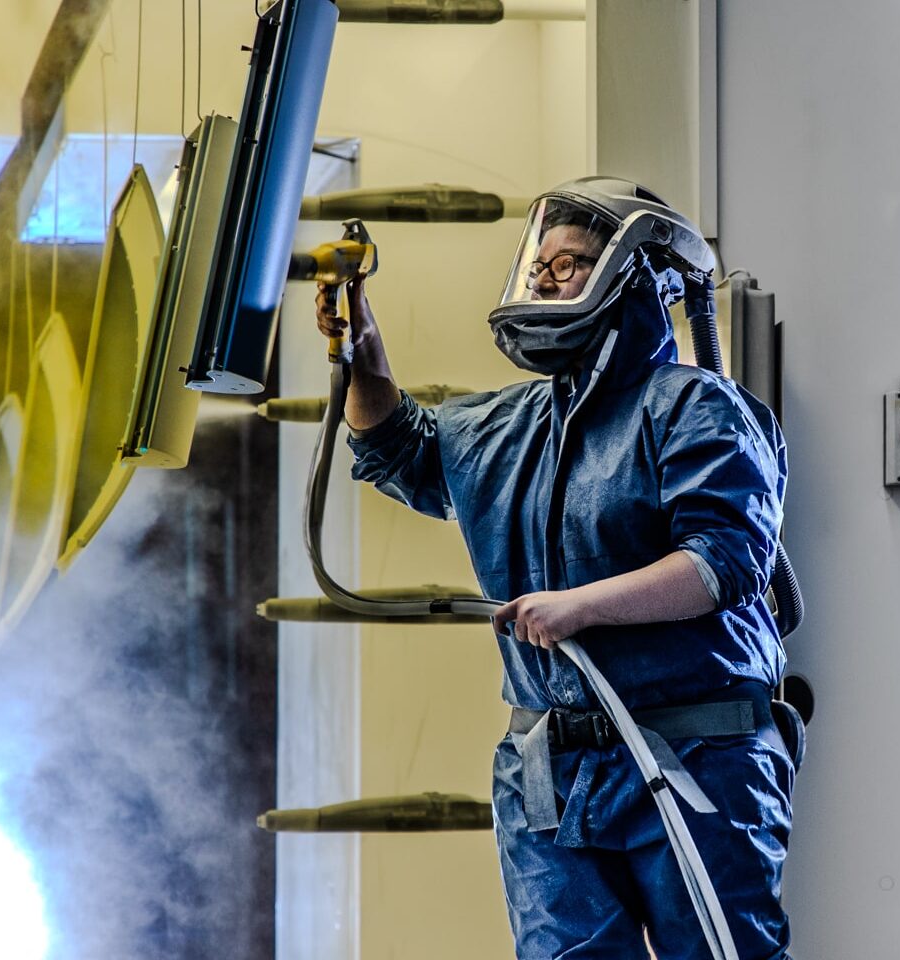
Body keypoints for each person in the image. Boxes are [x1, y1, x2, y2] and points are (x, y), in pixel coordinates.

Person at [316, 177, 797, 959]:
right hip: (547, 769)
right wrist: (363, 352)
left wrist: (582, 607)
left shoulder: (695, 408)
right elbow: (399, 448)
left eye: (569, 262)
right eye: (540, 261)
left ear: (630, 280)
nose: (542, 276)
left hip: (693, 760)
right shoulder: (502, 426)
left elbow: (726, 563)